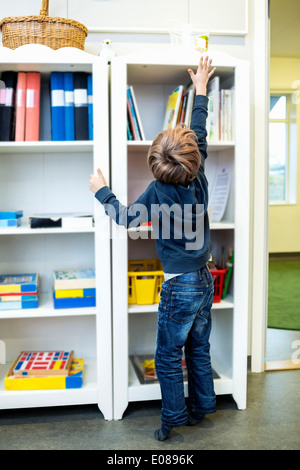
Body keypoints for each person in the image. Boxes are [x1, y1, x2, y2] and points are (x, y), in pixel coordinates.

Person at [89, 56, 217, 441]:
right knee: (198, 348)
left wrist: (102, 192)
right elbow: (199, 130)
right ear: (193, 158)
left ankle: (171, 420)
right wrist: (201, 90)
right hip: (205, 279)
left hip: (178, 286)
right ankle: (201, 409)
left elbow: (127, 218)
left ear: (155, 166)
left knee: (166, 355)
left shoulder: (158, 189)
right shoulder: (199, 176)